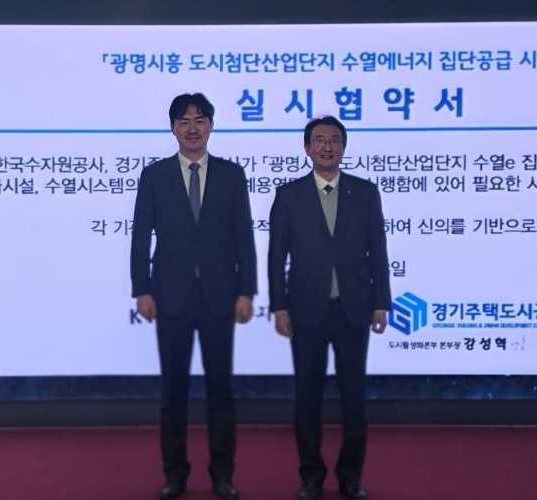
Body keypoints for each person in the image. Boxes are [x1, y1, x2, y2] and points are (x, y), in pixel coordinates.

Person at [130, 92, 257, 500]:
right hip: (171, 296)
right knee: (174, 392)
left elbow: (244, 237)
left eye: (200, 120)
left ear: (211, 126)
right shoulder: (155, 176)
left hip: (220, 296)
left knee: (221, 390)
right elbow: (140, 237)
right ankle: (175, 474)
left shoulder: (231, 175)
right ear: (172, 128)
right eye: (184, 121)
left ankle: (223, 475)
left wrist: (246, 290)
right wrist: (142, 289)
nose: (192, 128)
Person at [268, 116, 391, 500]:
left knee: (354, 400)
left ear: (343, 147)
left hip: (354, 309)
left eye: (334, 140)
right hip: (305, 310)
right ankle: (311, 477)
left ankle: (351, 477)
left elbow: (378, 251)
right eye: (319, 140)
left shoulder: (365, 192)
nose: (327, 146)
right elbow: (276, 257)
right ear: (307, 148)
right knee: (308, 397)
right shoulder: (289, 195)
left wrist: (381, 303)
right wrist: (279, 307)